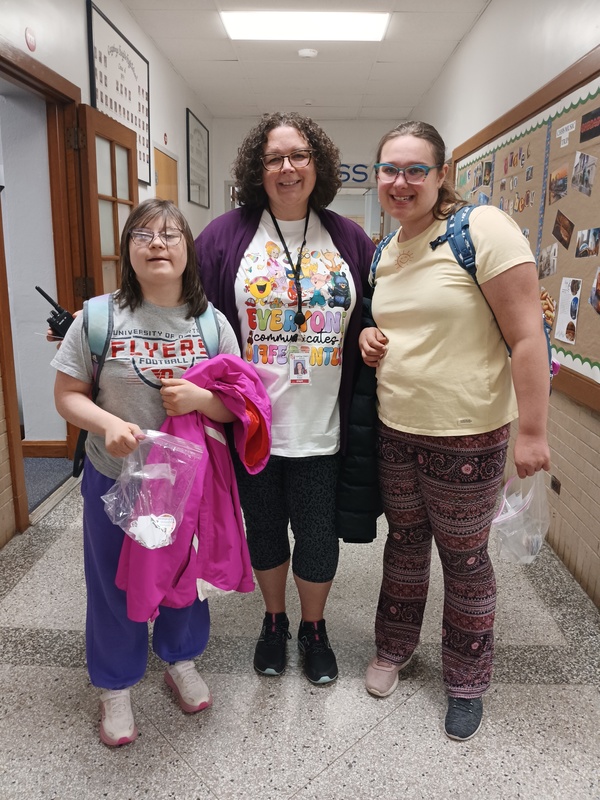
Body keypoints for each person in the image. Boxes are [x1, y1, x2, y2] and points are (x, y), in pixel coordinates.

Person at [360, 121, 550, 740]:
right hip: (397, 427)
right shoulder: (386, 251)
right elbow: (393, 326)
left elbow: (527, 336)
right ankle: (395, 648)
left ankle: (467, 681)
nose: (401, 181)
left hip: (467, 433)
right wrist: (370, 339)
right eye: (390, 169)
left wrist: (532, 432)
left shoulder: (481, 229)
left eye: (416, 169)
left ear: (442, 176)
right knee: (405, 545)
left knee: (464, 560)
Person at [51, 199, 249, 747]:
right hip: (113, 477)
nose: (157, 244)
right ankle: (115, 687)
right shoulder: (97, 318)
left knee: (187, 580)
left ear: (189, 249)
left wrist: (203, 399)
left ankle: (180, 660)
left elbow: (239, 406)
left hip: (189, 488)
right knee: (113, 583)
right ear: (127, 250)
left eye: (170, 235)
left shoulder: (213, 325)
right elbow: (68, 396)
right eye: (144, 235)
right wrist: (106, 422)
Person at [195, 112, 375, 685]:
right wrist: (100, 322)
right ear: (258, 169)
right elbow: (180, 304)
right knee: (266, 532)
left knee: (318, 538)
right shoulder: (226, 236)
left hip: (323, 425)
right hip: (253, 426)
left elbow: (378, 310)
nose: (287, 167)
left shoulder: (347, 237)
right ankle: (274, 622)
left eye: (298, 155)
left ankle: (313, 628)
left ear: (317, 165)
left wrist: (371, 333)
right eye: (274, 158)